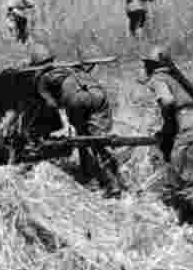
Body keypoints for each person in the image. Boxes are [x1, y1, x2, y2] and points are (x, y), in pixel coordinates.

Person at [142, 45, 193, 244]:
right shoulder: (175, 77)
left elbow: (167, 102)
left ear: (150, 65)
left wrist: (167, 129)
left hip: (191, 129)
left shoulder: (157, 79)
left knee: (182, 184)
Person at [29, 45, 124, 197]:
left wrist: (58, 103)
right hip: (97, 93)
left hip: (76, 99)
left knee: (83, 139)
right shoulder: (69, 67)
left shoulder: (43, 78)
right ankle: (113, 180)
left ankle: (89, 178)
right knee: (99, 140)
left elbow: (51, 104)